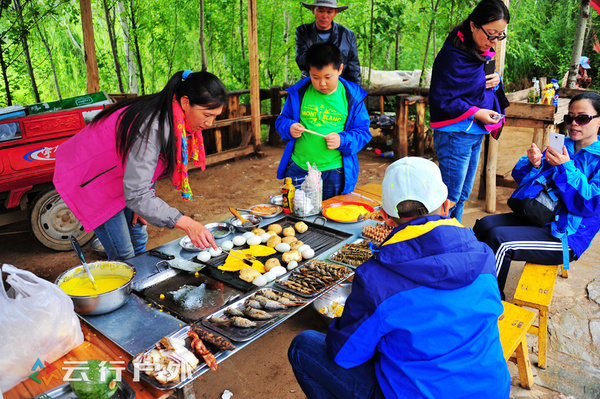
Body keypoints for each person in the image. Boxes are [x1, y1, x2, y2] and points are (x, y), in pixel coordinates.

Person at [288, 157, 510, 399]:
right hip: (492, 391)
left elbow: (345, 354)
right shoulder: (484, 256)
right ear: (447, 206)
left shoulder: (377, 279)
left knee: (304, 346)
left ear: (385, 218)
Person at [53, 70, 227, 260]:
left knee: (138, 237)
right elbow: (136, 193)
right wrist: (186, 223)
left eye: (215, 116)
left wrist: (142, 205)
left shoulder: (174, 119)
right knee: (124, 254)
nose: (210, 123)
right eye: (207, 114)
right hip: (89, 179)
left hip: (119, 175)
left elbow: (148, 168)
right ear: (185, 102)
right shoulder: (152, 125)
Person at [473, 92, 600, 298]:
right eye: (570, 118)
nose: (574, 123)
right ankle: (472, 289)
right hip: (541, 216)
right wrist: (535, 164)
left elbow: (589, 204)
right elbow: (523, 179)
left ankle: (488, 304)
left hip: (566, 235)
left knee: (501, 242)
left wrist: (566, 167)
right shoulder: (562, 145)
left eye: (582, 118)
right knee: (484, 226)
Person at [429, 0, 510, 221]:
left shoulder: (482, 51)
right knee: (450, 197)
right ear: (473, 25)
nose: (494, 41)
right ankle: (442, 240)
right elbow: (443, 97)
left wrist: (497, 79)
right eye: (490, 34)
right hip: (456, 133)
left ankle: (453, 238)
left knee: (462, 195)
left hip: (475, 132)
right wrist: (476, 112)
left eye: (500, 35)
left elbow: (484, 83)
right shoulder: (452, 55)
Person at [275, 42, 371, 200]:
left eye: (328, 77)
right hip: (298, 168)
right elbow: (282, 120)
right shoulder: (299, 93)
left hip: (334, 172)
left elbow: (363, 132)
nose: (322, 83)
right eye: (315, 77)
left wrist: (342, 139)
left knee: (330, 217)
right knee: (295, 216)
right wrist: (289, 126)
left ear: (340, 69)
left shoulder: (352, 97)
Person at [296, 0, 361, 84]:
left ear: (335, 12)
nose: (324, 16)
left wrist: (355, 92)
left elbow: (353, 68)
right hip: (310, 85)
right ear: (313, 10)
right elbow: (301, 61)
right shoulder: (303, 31)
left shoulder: (347, 35)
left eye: (329, 12)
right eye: (320, 11)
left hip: (338, 87)